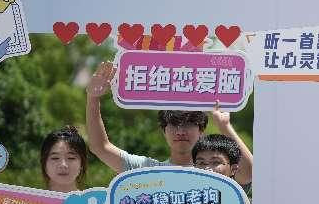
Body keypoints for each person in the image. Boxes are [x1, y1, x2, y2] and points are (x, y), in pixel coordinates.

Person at [85, 61, 253, 188]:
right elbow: (100, 147)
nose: (180, 131)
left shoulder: (214, 171)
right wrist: (93, 98)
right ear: (163, 131)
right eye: (173, 124)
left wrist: (224, 126)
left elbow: (248, 173)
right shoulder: (147, 170)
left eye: (188, 124)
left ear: (201, 130)